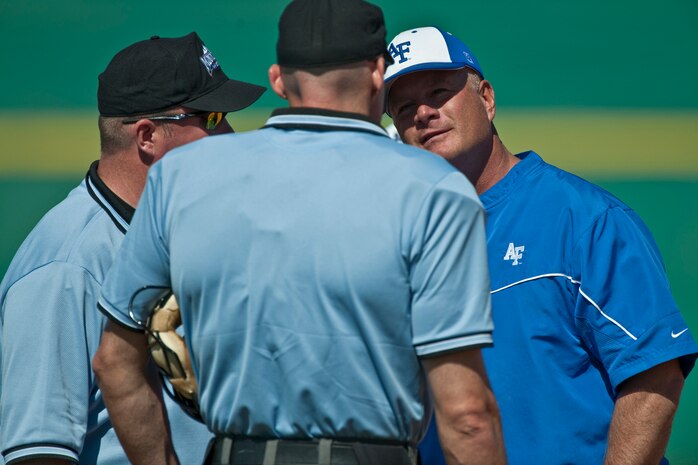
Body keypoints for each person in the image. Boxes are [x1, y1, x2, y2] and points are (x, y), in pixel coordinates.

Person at [91, 2, 508, 465]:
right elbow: (466, 413)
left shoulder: (181, 177)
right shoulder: (435, 189)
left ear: (278, 80)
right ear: (377, 73)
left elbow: (114, 363)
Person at [384, 26, 698, 465]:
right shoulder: (403, 243)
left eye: (439, 91)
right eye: (403, 107)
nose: (423, 113)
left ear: (487, 99)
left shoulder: (582, 217)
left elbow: (655, 376)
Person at [0, 32, 265, 465]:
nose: (231, 135)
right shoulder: (67, 267)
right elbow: (37, 453)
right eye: (213, 119)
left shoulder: (180, 234)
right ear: (147, 136)